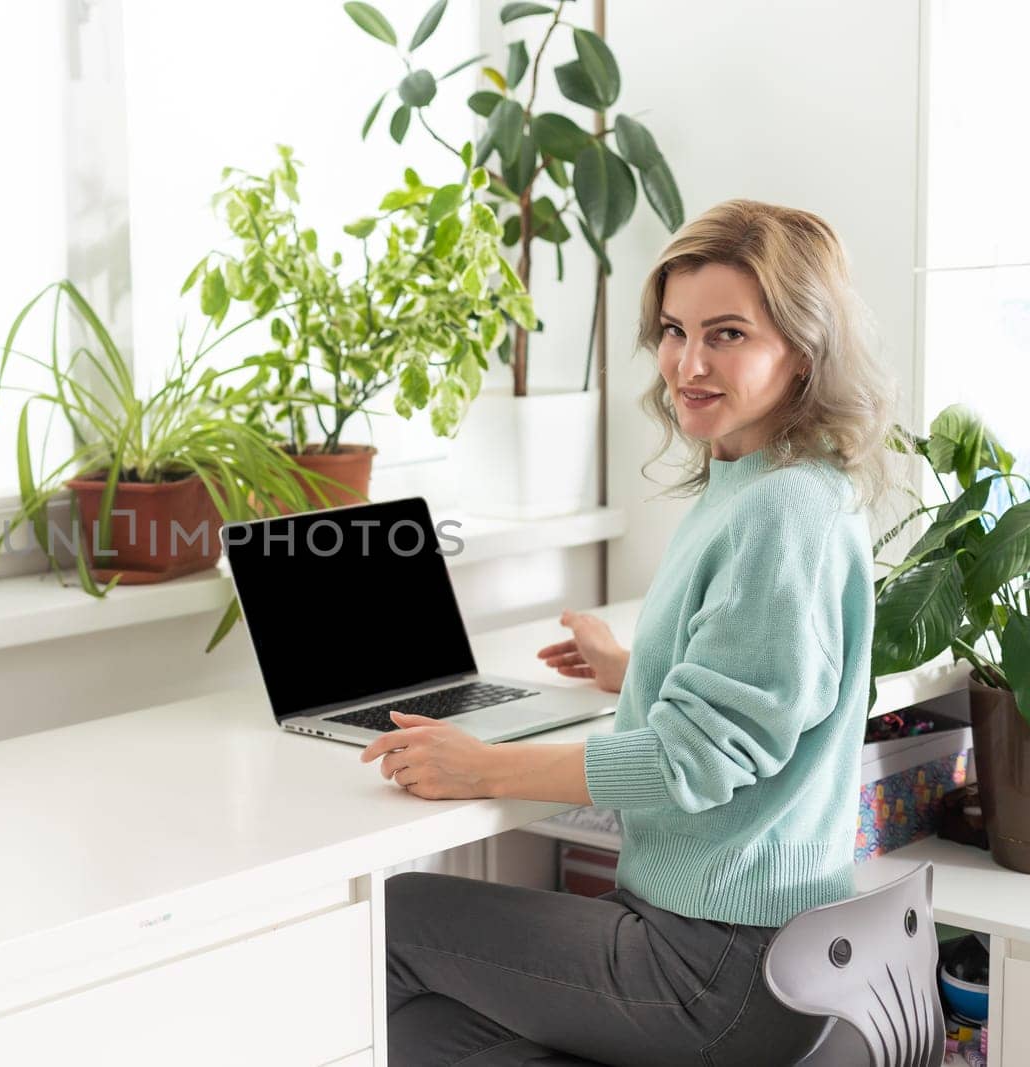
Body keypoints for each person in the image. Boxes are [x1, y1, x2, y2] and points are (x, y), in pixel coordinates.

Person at [361, 199, 895, 1066]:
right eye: (676, 331)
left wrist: (485, 765)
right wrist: (641, 668)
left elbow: (693, 759)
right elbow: (771, 683)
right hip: (755, 949)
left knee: (396, 923)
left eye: (727, 334)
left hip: (722, 963)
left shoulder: (780, 511)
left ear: (801, 347)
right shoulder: (762, 478)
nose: (688, 362)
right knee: (426, 1024)